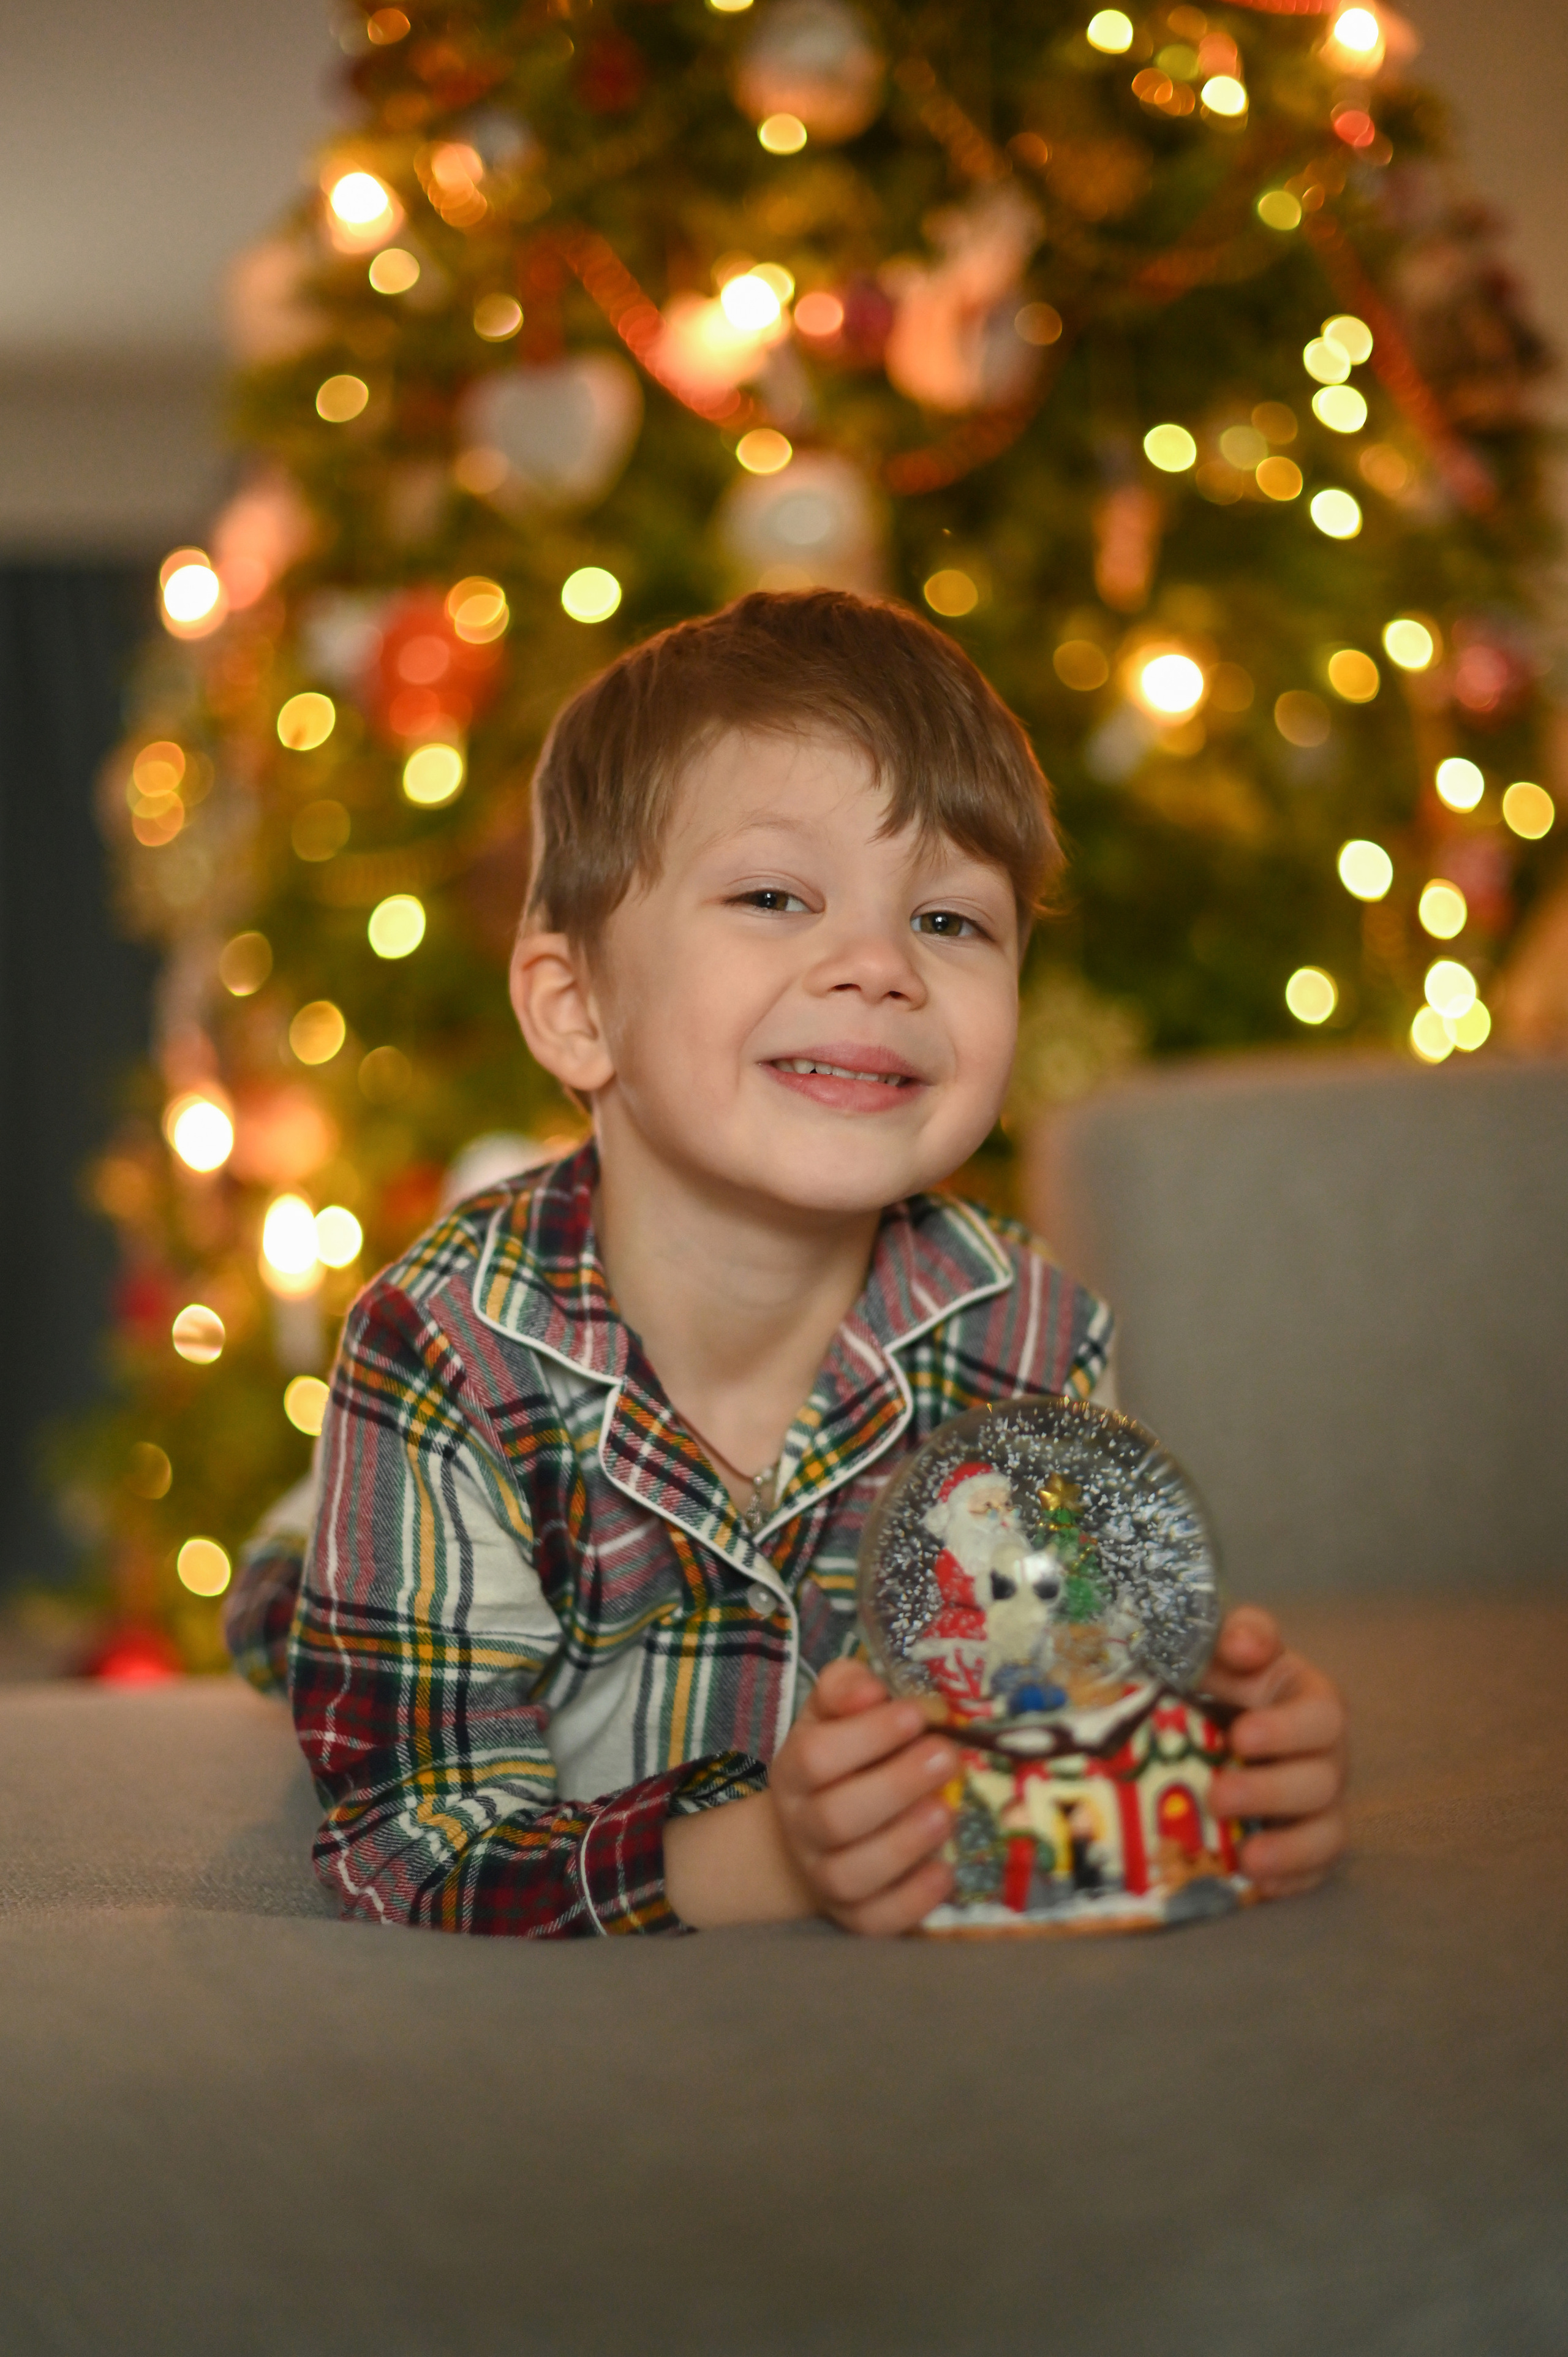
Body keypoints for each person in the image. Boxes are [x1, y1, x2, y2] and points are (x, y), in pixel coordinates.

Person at [239, 590, 1346, 1938]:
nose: (878, 965)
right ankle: (306, 1547)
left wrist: (1210, 1759)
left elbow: (1048, 1709)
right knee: (302, 1621)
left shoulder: (1031, 1331)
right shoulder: (439, 1348)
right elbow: (411, 1847)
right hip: (441, 1517)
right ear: (579, 1010)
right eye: (773, 896)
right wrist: (766, 1860)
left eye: (950, 922)